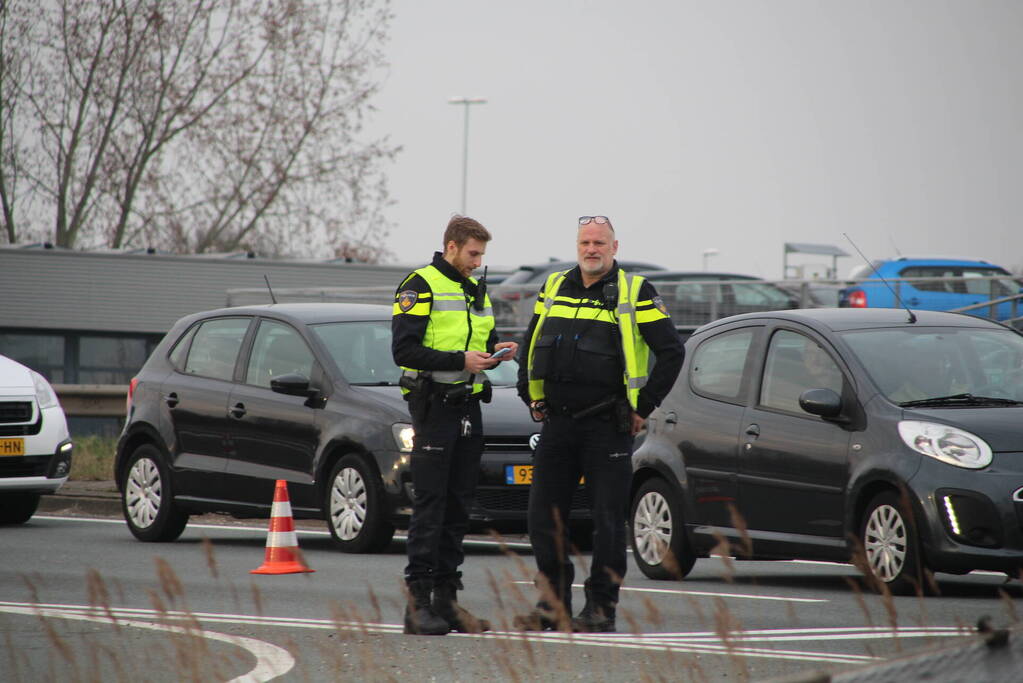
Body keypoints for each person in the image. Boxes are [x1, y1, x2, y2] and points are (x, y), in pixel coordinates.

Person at [514, 215, 684, 633]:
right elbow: (531, 341)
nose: (591, 250)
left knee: (607, 521)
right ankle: (552, 606)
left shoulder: (635, 290)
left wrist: (643, 406)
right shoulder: (554, 285)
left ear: (614, 247)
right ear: (577, 246)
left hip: (607, 425)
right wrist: (528, 393)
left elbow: (672, 352)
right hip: (557, 423)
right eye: (585, 243)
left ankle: (601, 609)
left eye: (599, 243)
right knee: (543, 518)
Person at [392, 215, 518, 635]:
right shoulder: (420, 285)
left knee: (459, 506)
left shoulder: (474, 289)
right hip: (434, 407)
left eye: (481, 255)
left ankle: (446, 601)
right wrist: (459, 360)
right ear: (451, 247)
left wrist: (496, 351)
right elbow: (404, 350)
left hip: (468, 406)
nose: (478, 262)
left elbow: (480, 342)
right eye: (473, 254)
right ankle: (418, 606)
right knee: (431, 506)